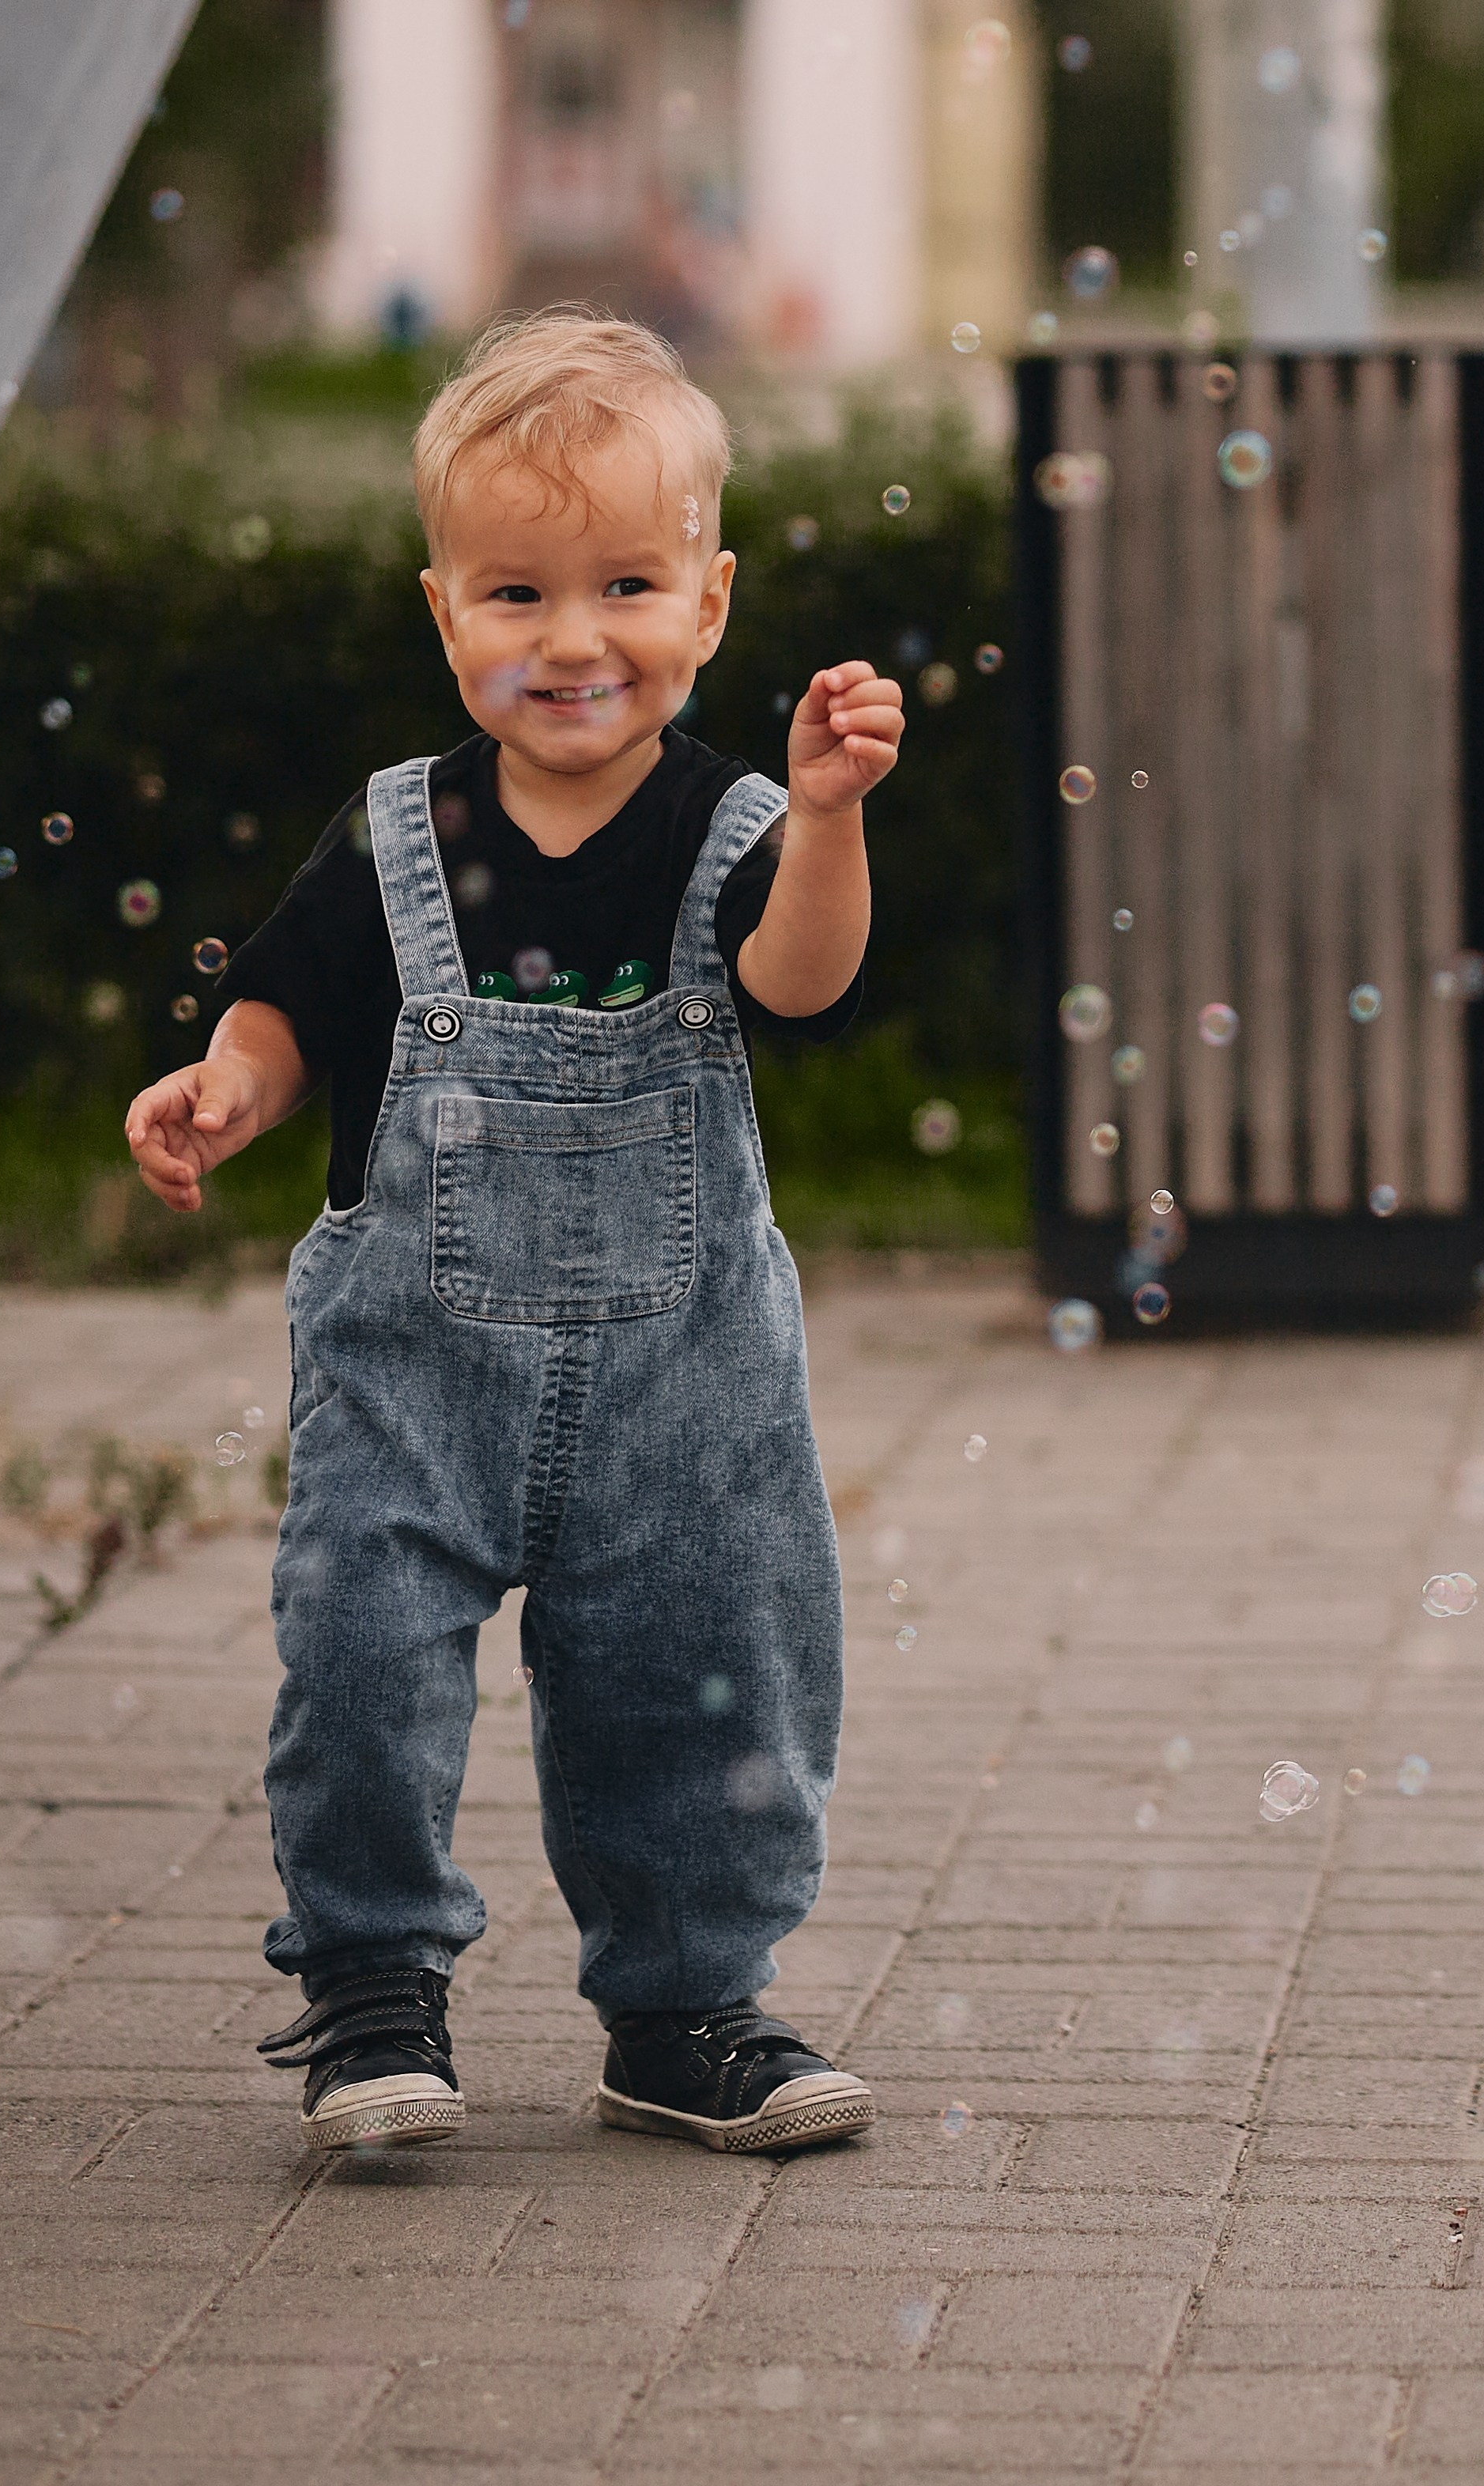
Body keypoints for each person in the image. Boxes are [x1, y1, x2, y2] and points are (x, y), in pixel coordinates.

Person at [123, 308, 903, 2158]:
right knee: (360, 1662)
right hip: (414, 1380)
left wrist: (828, 819)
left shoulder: (732, 826)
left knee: (711, 1679)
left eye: (625, 585)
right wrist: (232, 1084)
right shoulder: (398, 831)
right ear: (444, 612)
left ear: (707, 605)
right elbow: (294, 999)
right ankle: (371, 1988)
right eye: (516, 594)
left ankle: (686, 2008)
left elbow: (799, 983)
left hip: (685, 1391)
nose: (571, 640)